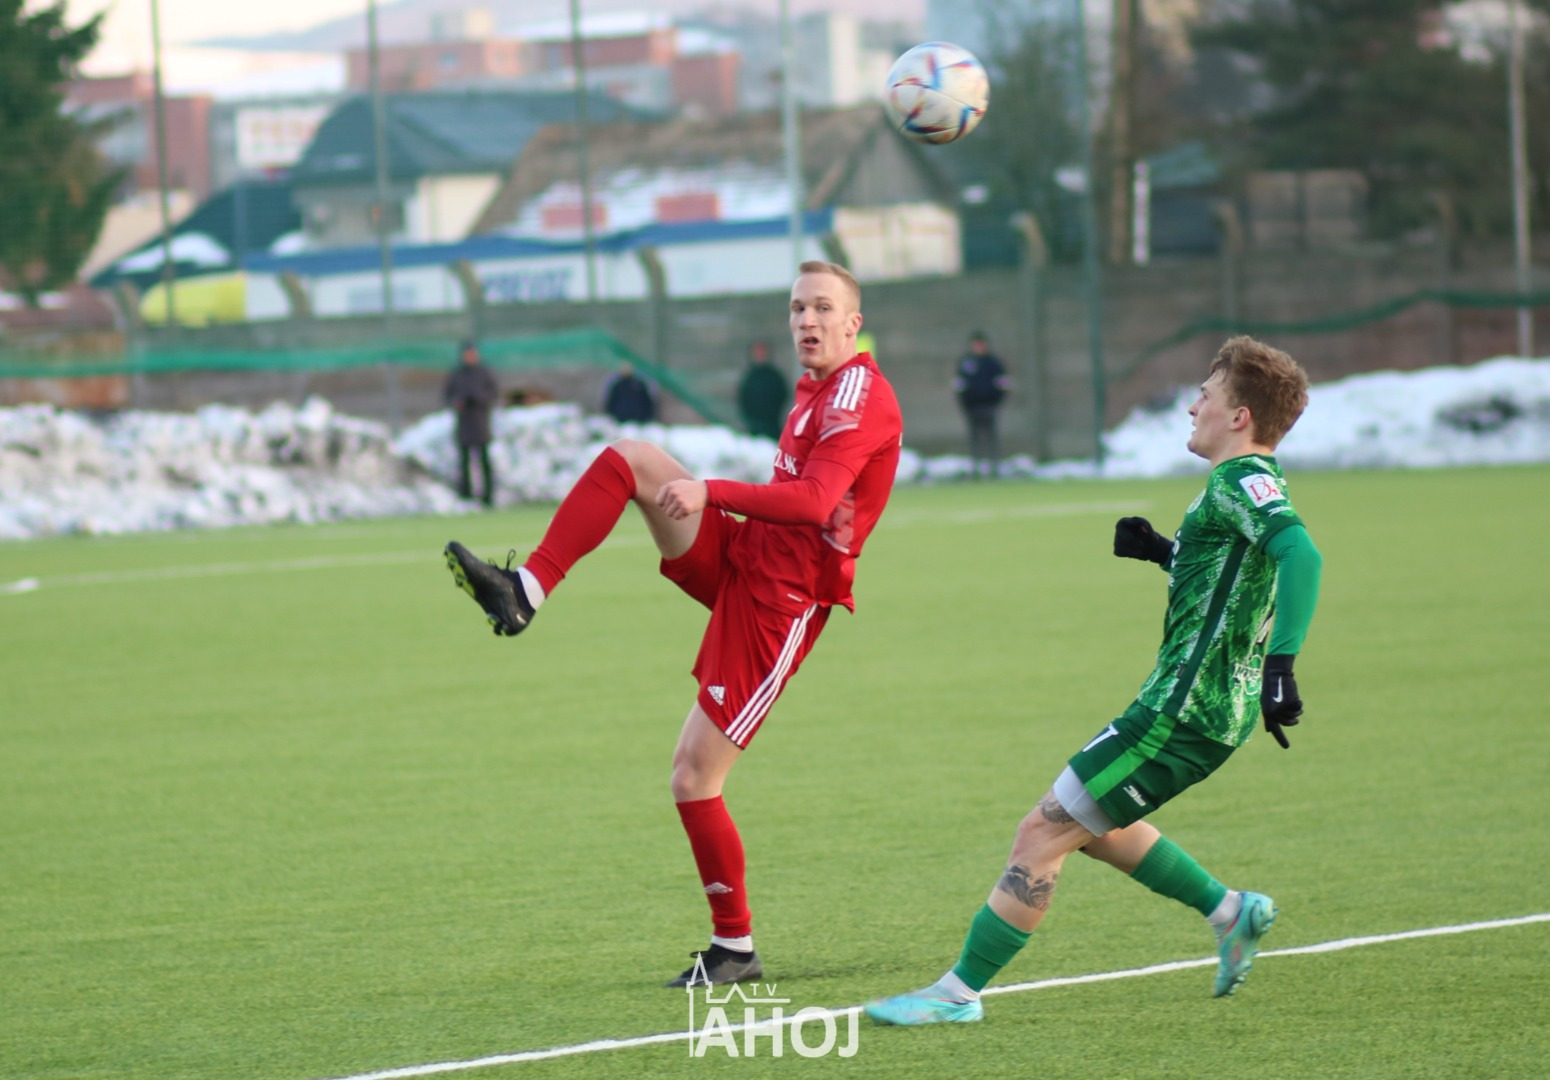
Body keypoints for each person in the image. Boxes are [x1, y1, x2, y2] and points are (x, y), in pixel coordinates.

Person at [443, 261, 903, 987]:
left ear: (854, 323)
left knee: (693, 778)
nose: (806, 322)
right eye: (796, 309)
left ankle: (735, 948)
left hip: (783, 604)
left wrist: (710, 490)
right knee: (630, 460)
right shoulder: (817, 386)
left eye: (822, 308)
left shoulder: (859, 398)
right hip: (750, 558)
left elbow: (816, 503)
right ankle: (525, 589)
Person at [865, 335, 1322, 1026]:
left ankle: (957, 995)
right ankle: (1231, 912)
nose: (1193, 405)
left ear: (1240, 416)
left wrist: (1282, 667)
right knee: (1094, 825)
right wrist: (1165, 553)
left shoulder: (1239, 481)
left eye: (1207, 393)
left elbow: (1301, 554)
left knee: (1042, 833)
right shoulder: (1245, 483)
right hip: (1194, 710)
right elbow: (1233, 580)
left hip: (1181, 714)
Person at [442, 339, 499, 506]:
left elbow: (492, 394)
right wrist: (457, 402)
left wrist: (478, 399)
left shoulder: (483, 373)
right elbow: (448, 396)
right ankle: (465, 495)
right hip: (464, 423)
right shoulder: (457, 374)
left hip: (480, 422)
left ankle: (488, 496)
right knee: (464, 461)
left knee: (484, 460)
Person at [953, 331, 1010, 478]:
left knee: (991, 438)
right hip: (972, 407)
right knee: (974, 439)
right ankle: (976, 469)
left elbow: (1002, 384)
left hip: (989, 406)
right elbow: (959, 385)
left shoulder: (993, 363)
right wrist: (965, 402)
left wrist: (996, 401)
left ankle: (994, 469)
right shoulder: (966, 363)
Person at [736, 340, 790, 440]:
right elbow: (743, 398)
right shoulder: (750, 376)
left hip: (772, 424)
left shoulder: (775, 376)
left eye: (762, 352)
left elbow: (782, 394)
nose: (760, 355)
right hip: (754, 425)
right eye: (757, 352)